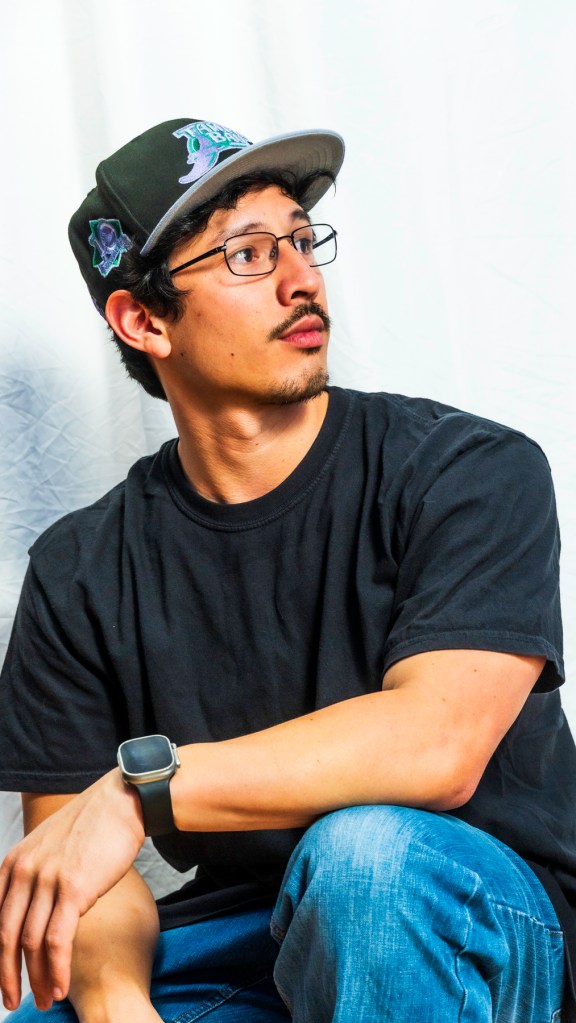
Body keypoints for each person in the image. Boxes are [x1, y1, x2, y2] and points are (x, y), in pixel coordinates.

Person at [0, 116, 574, 1023]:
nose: (301, 277)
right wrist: (117, 1007)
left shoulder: (465, 469)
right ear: (144, 320)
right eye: (248, 254)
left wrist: (144, 793)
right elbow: (73, 875)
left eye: (302, 241)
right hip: (252, 935)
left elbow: (438, 746)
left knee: (365, 860)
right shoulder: (80, 568)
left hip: (480, 914)